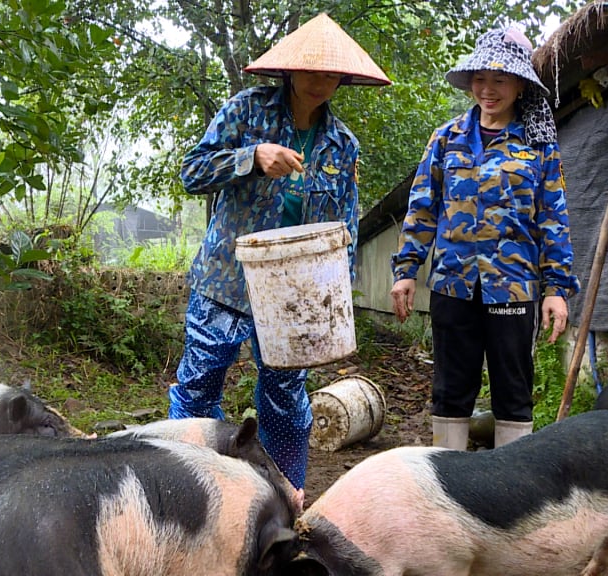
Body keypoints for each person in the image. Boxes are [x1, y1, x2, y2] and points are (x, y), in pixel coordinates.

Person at [171, 13, 390, 505]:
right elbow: (192, 171)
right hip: (227, 280)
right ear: (290, 71)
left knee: (286, 400)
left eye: (331, 74)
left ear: (343, 79)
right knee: (200, 382)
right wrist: (252, 157)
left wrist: (337, 297)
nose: (321, 82)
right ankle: (180, 488)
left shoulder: (342, 144)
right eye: (312, 71)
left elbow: (344, 229)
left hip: (297, 293)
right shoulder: (245, 112)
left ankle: (285, 498)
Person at [390, 26, 579, 451]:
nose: (488, 90)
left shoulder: (538, 146)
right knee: (451, 387)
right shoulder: (446, 138)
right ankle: (448, 482)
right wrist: (406, 271)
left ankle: (510, 490)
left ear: (519, 85)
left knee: (513, 389)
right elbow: (422, 208)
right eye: (480, 79)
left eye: (500, 80)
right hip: (452, 284)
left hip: (512, 285)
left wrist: (557, 289)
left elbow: (553, 218)